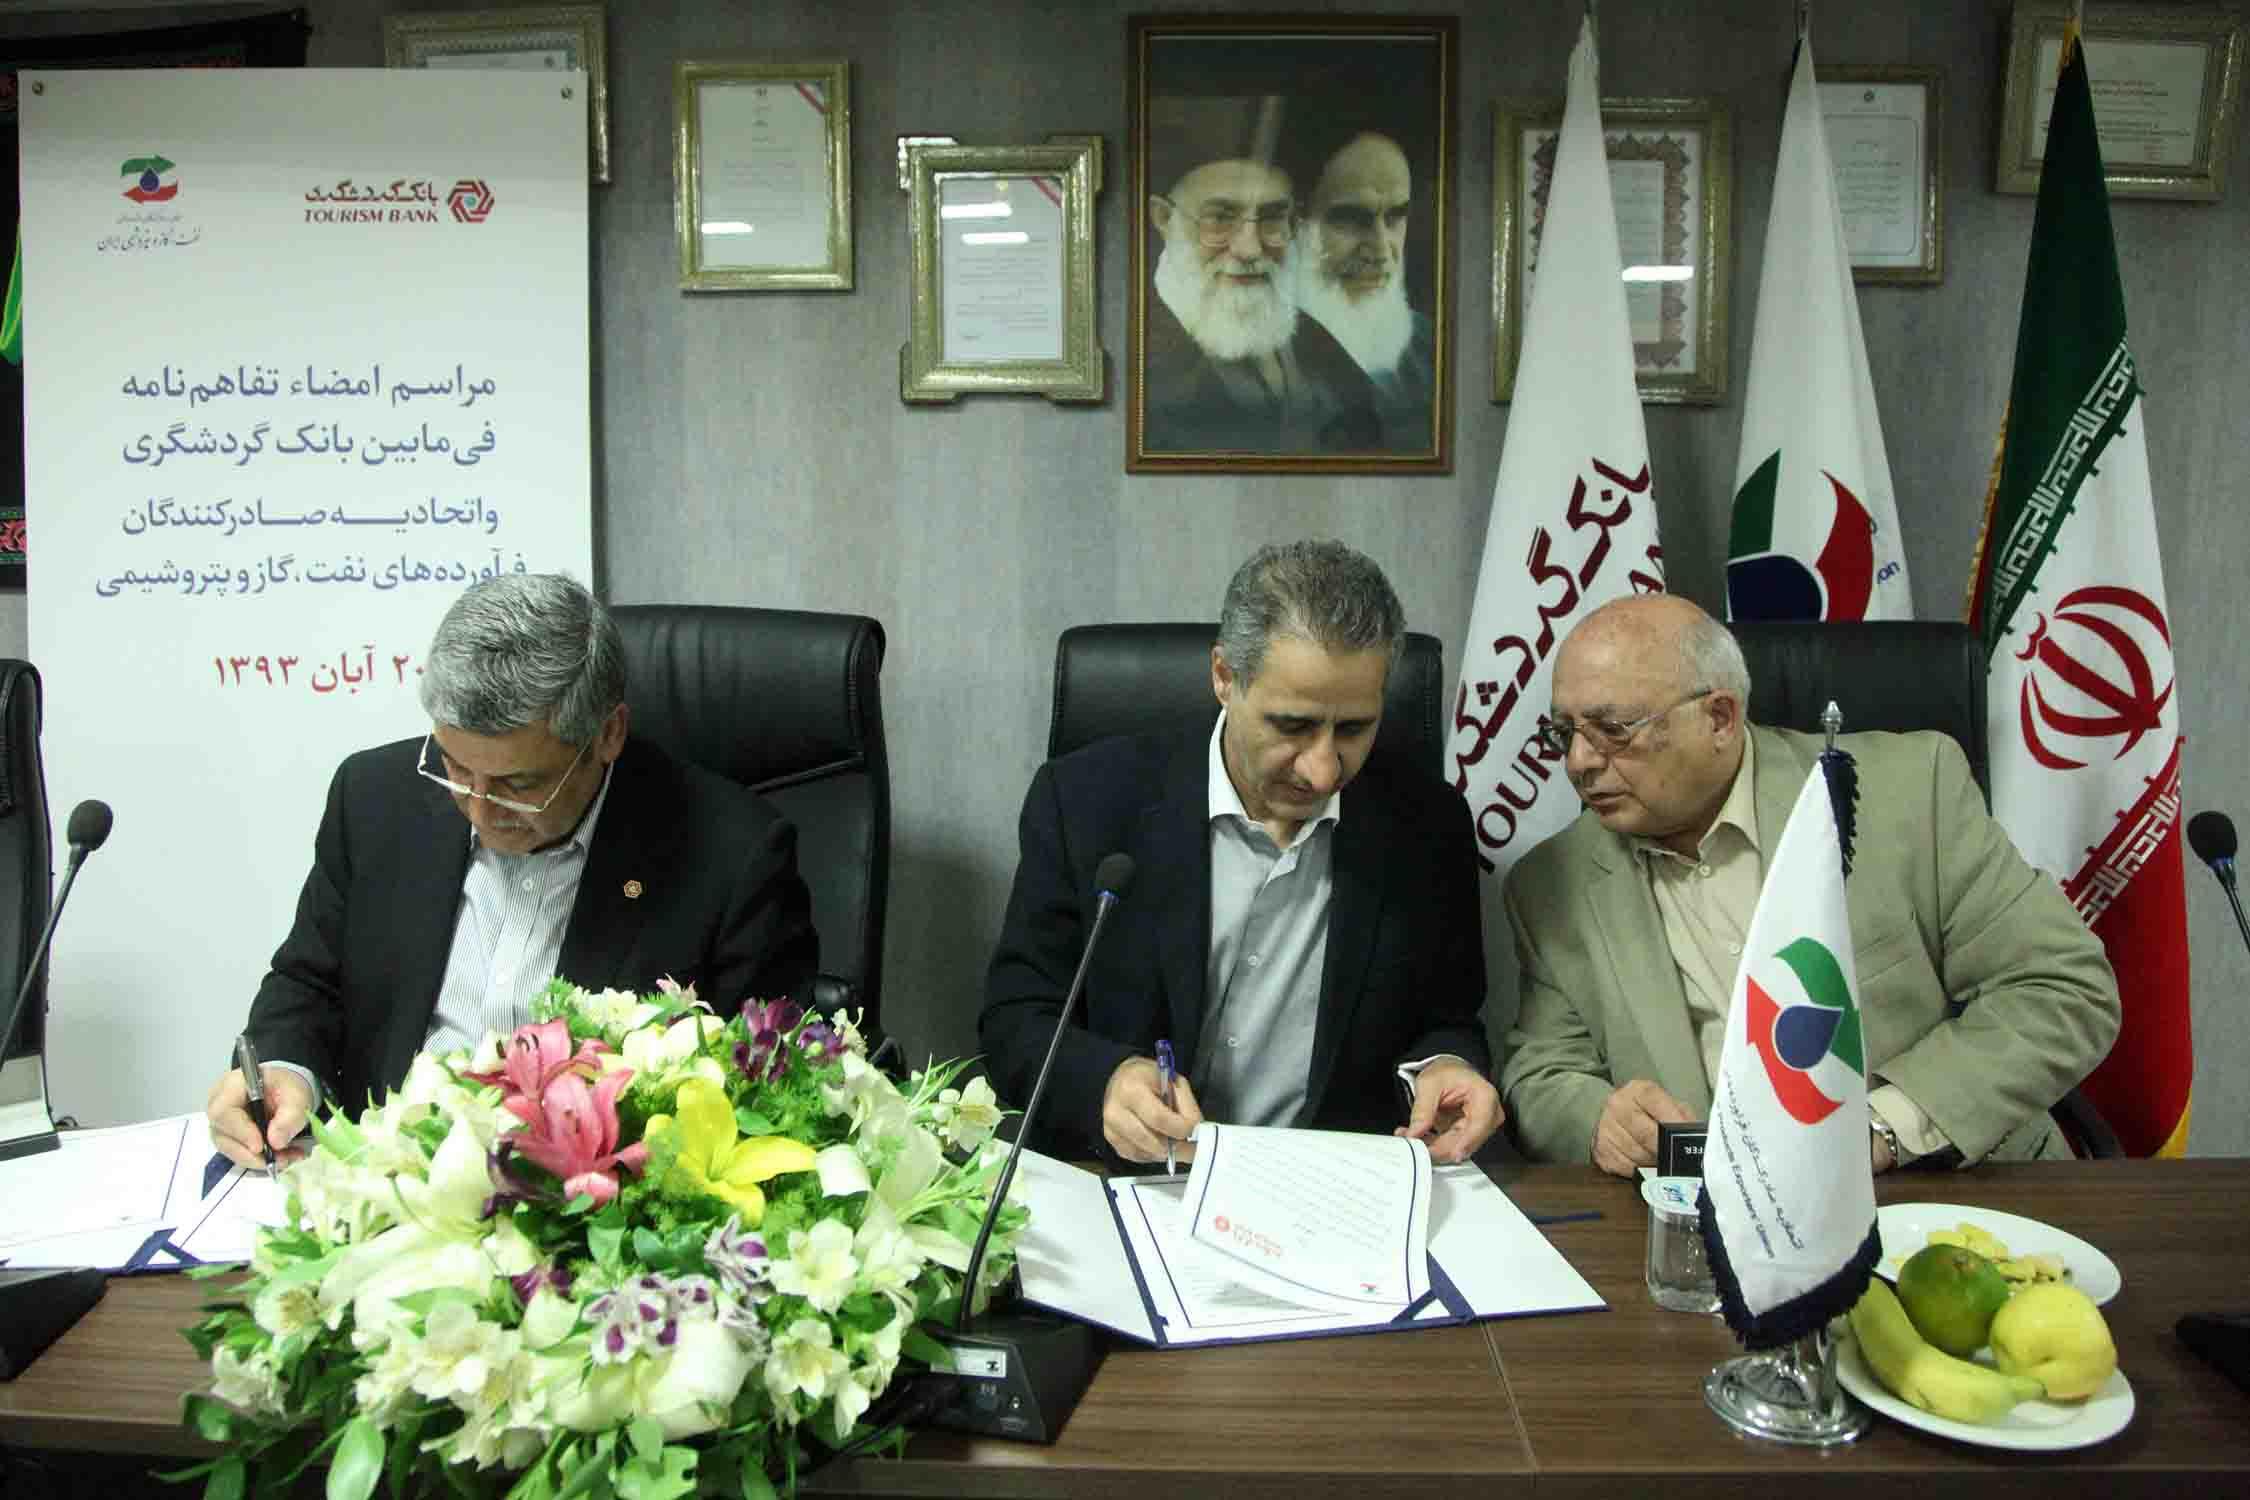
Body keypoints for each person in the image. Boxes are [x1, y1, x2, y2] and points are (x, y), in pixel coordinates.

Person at [206, 573, 817, 1167]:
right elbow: (310, 982)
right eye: (455, 769)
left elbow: (755, 1085)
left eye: (517, 785)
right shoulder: (373, 797)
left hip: (577, 1197)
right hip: (382, 1172)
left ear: (608, 735)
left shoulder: (733, 856)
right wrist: (287, 1070)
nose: (478, 810)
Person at [1500, 595, 2121, 1177]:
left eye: (1613, 729)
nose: (1579, 762)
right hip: (1703, 1211)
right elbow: (1543, 1071)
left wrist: (1882, 1127)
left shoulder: (1908, 792)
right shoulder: (1553, 882)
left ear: (1720, 718)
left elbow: (2062, 988)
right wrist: (1601, 1121)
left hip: (1942, 1184)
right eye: (1564, 733)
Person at [981, 539, 1500, 1166]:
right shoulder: (1086, 803)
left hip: (1328, 1186)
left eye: (1354, 728)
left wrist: (1445, 1066)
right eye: (1293, 725)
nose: (1323, 770)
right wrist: (1106, 1081)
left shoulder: (1428, 825)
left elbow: (1449, 1017)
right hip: (1135, 1178)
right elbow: (1016, 1020)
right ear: (1225, 677)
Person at [1143, 155, 1381, 454]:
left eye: (1272, 219)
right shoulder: (1139, 360)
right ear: (1164, 218)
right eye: (1220, 219)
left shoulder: (1311, 338)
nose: (1250, 249)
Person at [1294, 131, 1435, 451]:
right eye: (1353, 220)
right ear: (1297, 223)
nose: (1382, 250)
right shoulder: (1263, 361)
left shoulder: (1429, 348)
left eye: (1395, 217)